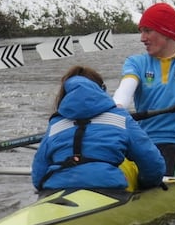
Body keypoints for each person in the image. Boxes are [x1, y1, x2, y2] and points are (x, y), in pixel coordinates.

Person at [32, 65, 166, 192]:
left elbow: (38, 176)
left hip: (55, 188)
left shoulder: (55, 123)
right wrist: (146, 185)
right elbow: (153, 164)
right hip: (108, 186)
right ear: (101, 89)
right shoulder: (120, 117)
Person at [112, 2, 175, 176]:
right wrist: (115, 108)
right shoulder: (136, 63)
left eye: (148, 30)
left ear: (166, 32)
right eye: (141, 31)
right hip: (146, 145)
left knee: (167, 156)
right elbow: (124, 91)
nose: (142, 38)